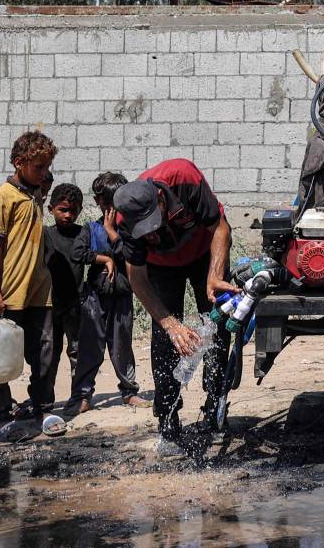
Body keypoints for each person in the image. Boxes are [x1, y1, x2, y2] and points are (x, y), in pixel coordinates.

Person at [113, 159, 238, 452]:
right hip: (161, 268)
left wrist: (215, 274)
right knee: (165, 341)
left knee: (217, 328)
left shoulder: (184, 177)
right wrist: (171, 325)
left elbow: (220, 228)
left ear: (159, 197)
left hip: (204, 254)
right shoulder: (124, 222)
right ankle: (168, 420)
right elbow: (138, 279)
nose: (149, 231)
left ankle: (215, 406)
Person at [0, 131, 67, 443]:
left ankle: (42, 409)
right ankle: (0, 418)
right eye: (39, 168)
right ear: (19, 163)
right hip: (10, 291)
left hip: (39, 291)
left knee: (44, 353)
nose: (44, 174)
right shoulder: (3, 196)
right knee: (1, 357)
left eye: (46, 168)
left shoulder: (35, 194)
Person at [63, 172, 150, 416]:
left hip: (122, 296)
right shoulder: (91, 229)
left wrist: (113, 233)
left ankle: (129, 391)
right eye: (105, 203)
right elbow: (77, 254)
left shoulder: (132, 231)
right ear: (100, 203)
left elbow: (133, 256)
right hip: (95, 298)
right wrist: (103, 258)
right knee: (90, 347)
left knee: (122, 345)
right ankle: (82, 395)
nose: (109, 208)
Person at [43, 183, 85, 393]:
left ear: (80, 211)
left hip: (75, 303)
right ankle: (45, 397)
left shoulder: (83, 234)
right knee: (49, 351)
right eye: (63, 210)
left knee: (77, 349)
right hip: (51, 303)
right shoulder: (45, 235)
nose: (68, 215)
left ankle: (78, 396)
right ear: (51, 209)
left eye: (73, 211)